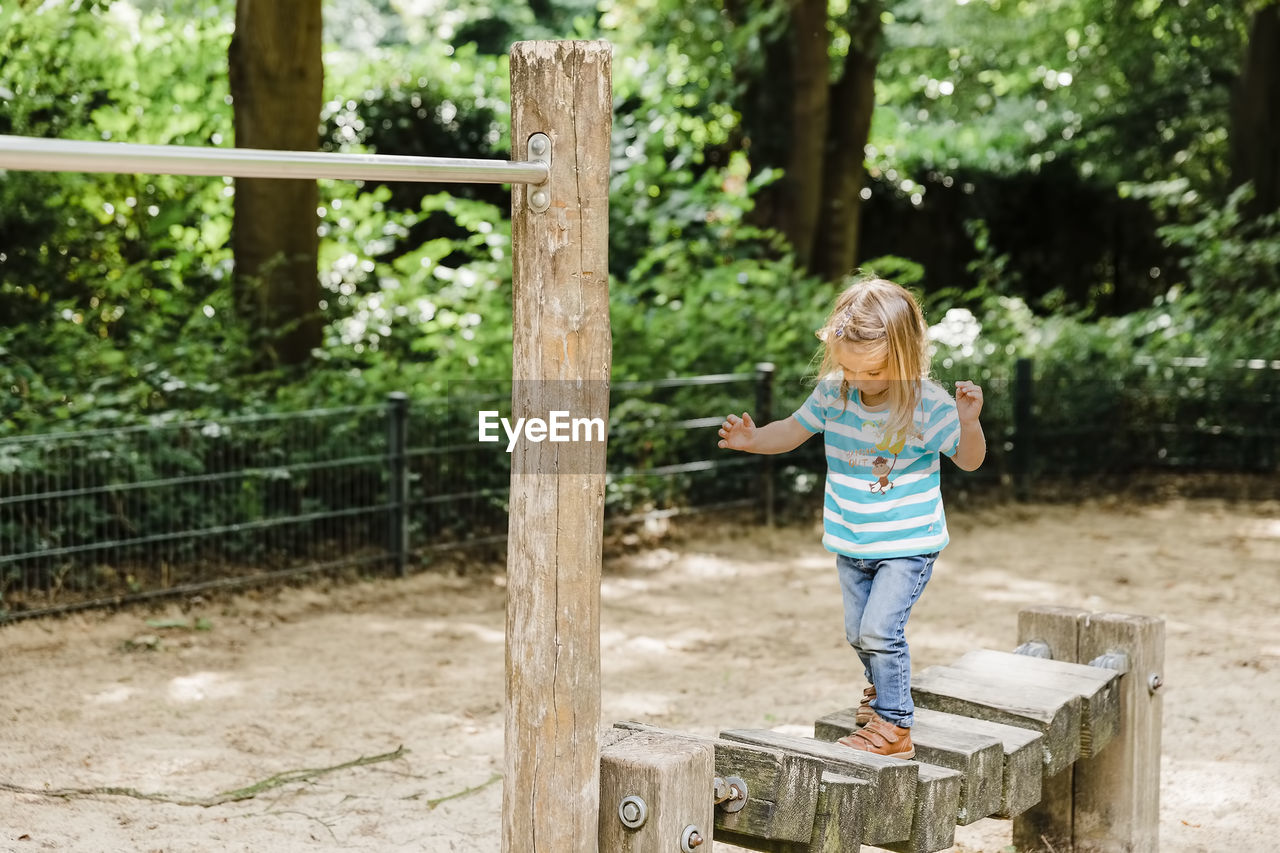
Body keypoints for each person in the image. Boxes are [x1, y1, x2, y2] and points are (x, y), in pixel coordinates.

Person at [716, 277, 986, 759]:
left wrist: (969, 423)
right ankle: (881, 692)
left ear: (905, 356)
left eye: (873, 371)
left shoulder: (927, 405)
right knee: (858, 633)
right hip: (851, 540)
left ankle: (895, 724)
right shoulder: (833, 394)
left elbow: (969, 461)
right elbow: (791, 431)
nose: (859, 381)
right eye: (848, 368)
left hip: (907, 544)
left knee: (882, 630)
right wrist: (753, 440)